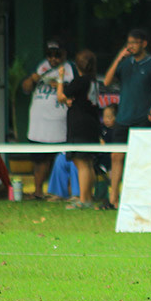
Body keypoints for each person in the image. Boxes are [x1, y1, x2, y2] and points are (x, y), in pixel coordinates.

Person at [102, 29, 151, 210]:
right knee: (116, 156)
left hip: (141, 119)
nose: (130, 46)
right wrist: (118, 58)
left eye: (134, 42)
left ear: (143, 44)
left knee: (141, 159)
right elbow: (106, 82)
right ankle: (113, 198)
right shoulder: (126, 63)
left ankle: (140, 198)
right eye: (128, 42)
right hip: (123, 117)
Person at [21, 40, 74, 199]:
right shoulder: (41, 66)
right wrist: (35, 76)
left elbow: (73, 93)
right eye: (50, 55)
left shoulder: (70, 69)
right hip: (38, 125)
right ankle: (38, 192)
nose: (53, 59)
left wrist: (57, 83)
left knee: (62, 159)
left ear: (64, 54)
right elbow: (25, 87)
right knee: (39, 160)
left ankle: (63, 193)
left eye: (57, 55)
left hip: (58, 125)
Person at [57, 50, 101, 209]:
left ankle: (83, 200)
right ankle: (87, 197)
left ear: (77, 66)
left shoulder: (80, 81)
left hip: (79, 125)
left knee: (81, 162)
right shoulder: (94, 82)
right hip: (91, 124)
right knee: (87, 162)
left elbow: (61, 96)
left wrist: (60, 77)